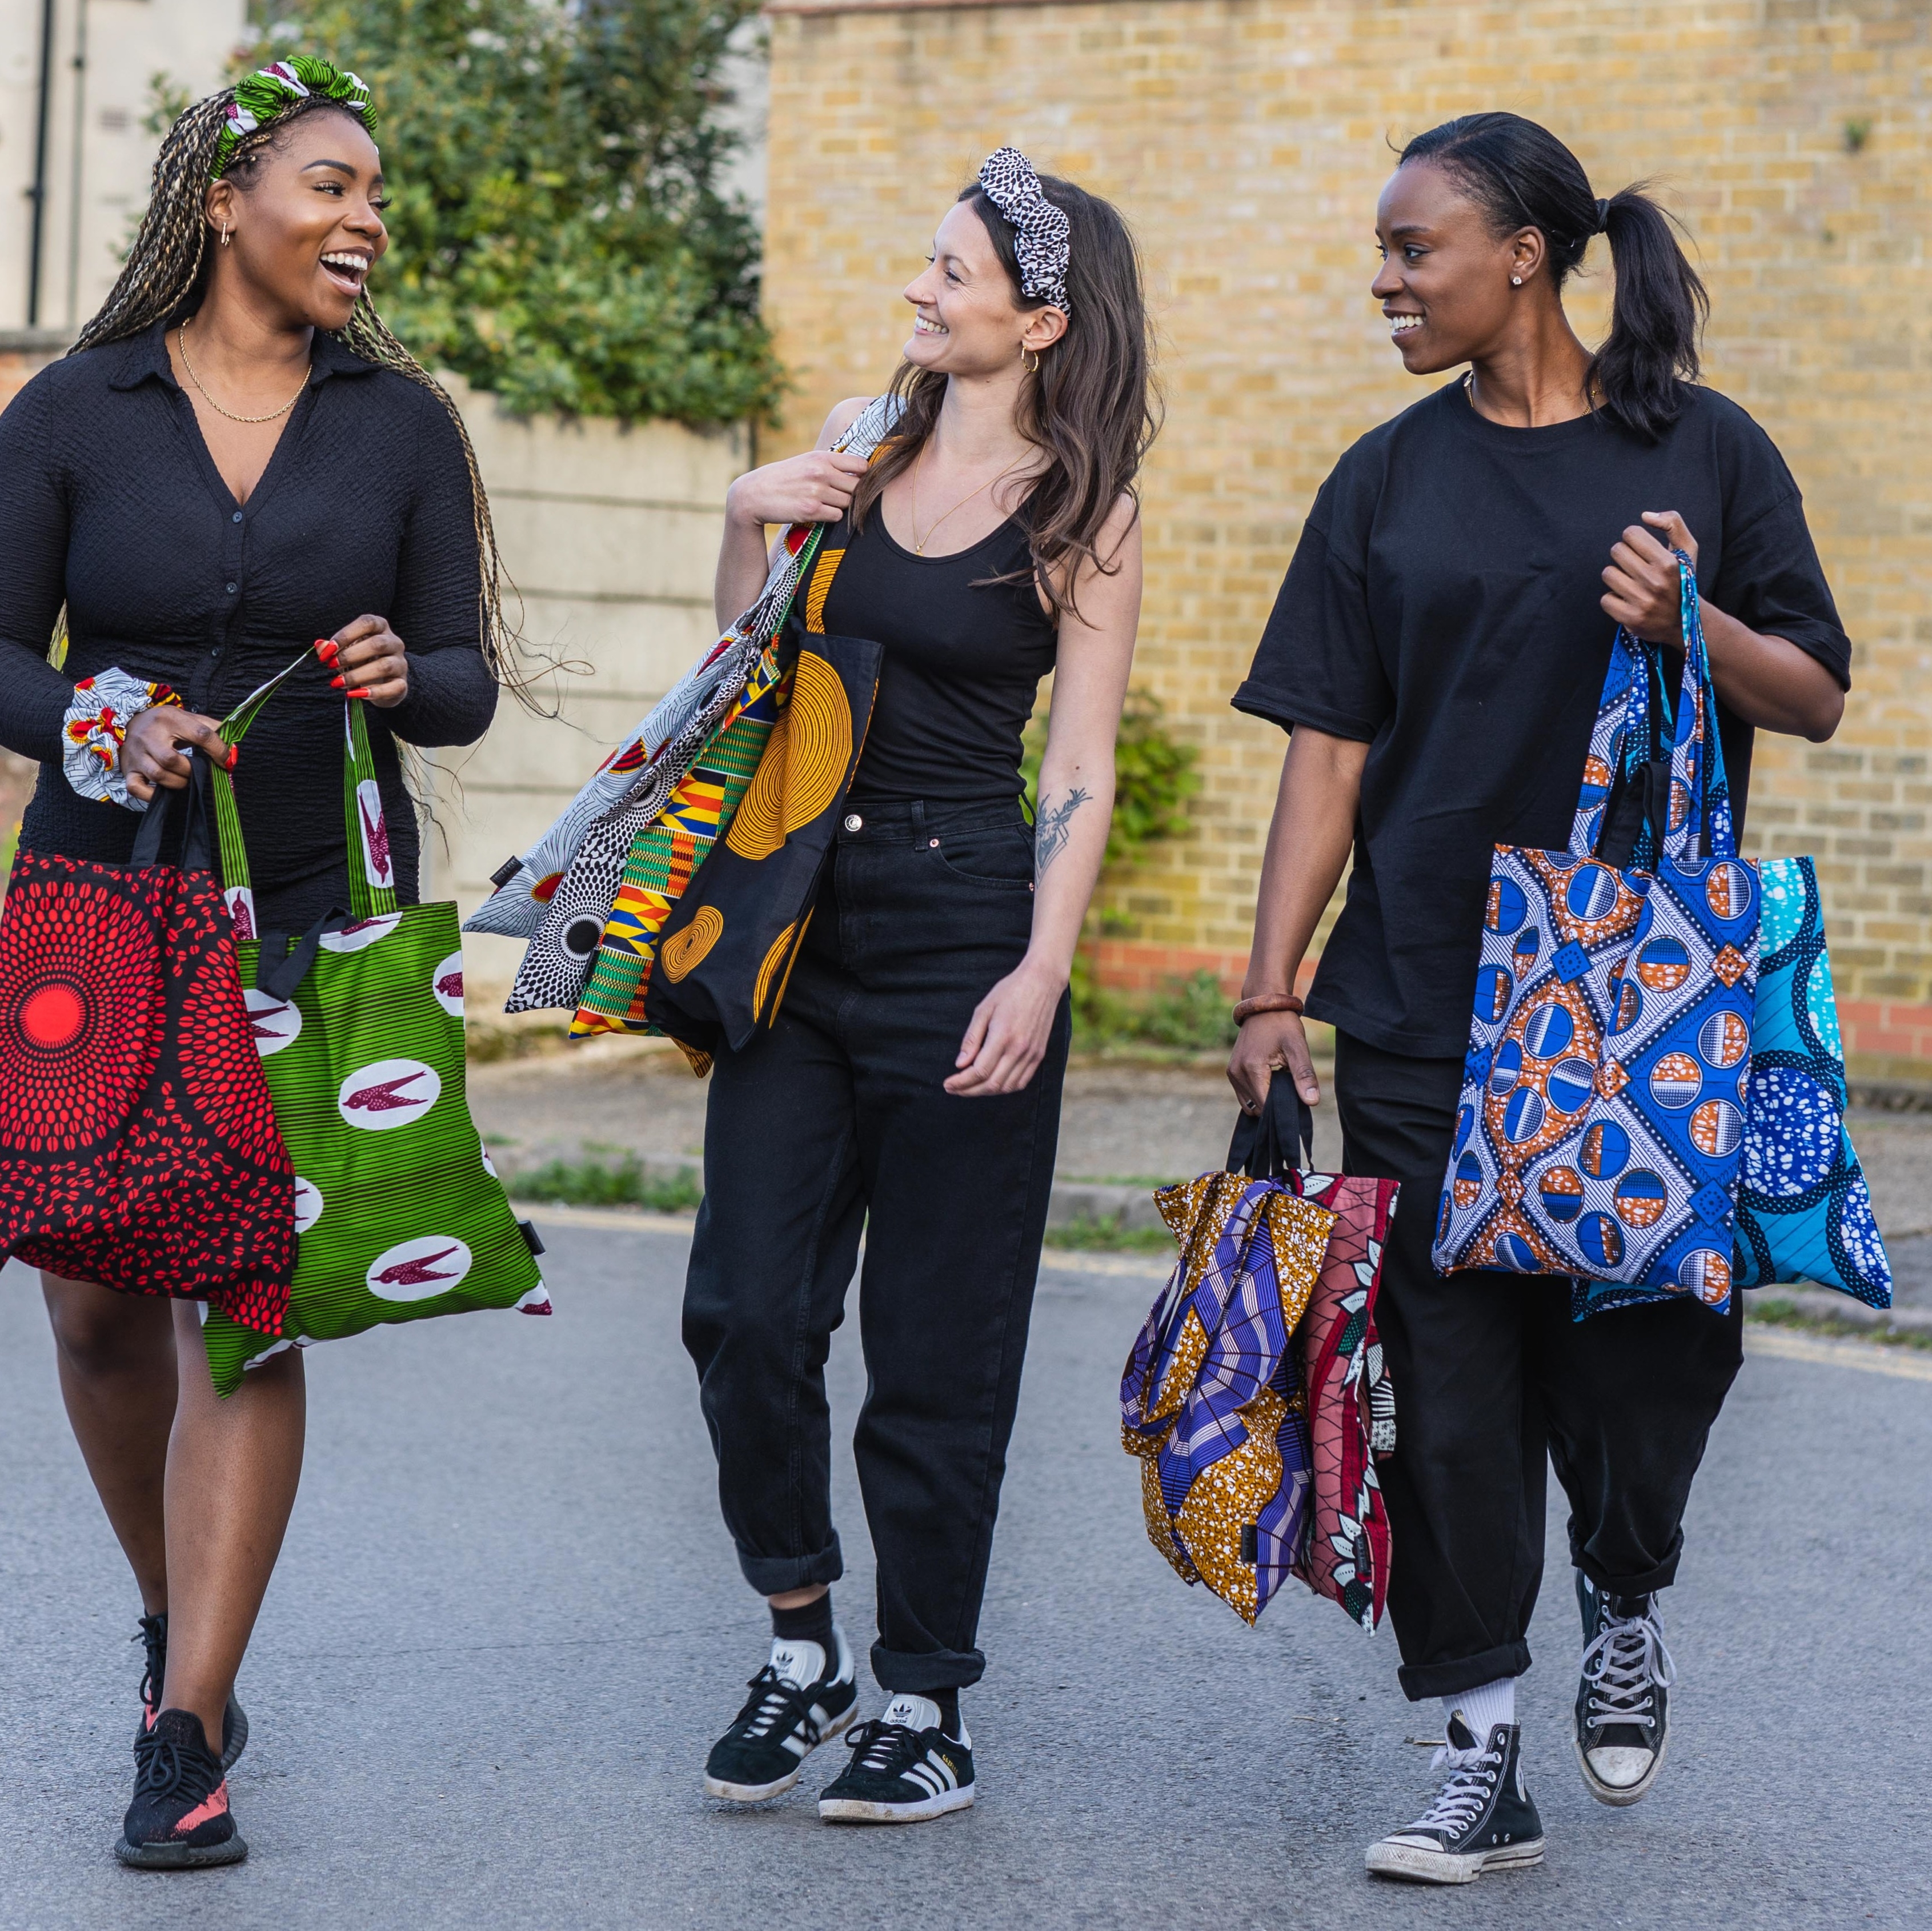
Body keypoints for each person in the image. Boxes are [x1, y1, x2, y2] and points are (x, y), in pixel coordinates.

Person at [1226, 112, 1848, 1885]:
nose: (1387, 280)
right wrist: (1272, 985)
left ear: (1523, 256)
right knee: (1447, 1362)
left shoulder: (1703, 452)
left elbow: (1812, 690)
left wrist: (1692, 624)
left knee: (1654, 1354)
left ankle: (1625, 1578)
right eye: (1386, 249)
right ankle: (1479, 1744)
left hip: (1641, 995)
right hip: (1424, 988)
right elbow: (1329, 746)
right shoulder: (1386, 478)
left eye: (1415, 249)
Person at [0, 59, 518, 1868]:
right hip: (95, 904)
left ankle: (192, 1724)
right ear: (227, 200)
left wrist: (400, 669)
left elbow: (459, 676)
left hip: (301, 901)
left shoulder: (399, 428)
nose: (366, 217)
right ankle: (172, 1622)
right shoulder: (78, 408)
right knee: (87, 1293)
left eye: (379, 192)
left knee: (251, 1288)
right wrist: (93, 714)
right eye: (331, 183)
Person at [683, 147, 1153, 1824]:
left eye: (951, 270)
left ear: (1038, 316)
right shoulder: (859, 443)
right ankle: (801, 1638)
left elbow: (1080, 762)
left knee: (939, 1345)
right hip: (804, 929)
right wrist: (751, 516)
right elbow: (741, 673)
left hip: (968, 927)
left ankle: (923, 1698)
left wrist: (1042, 964)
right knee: (742, 1308)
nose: (919, 289)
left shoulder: (1079, 506)